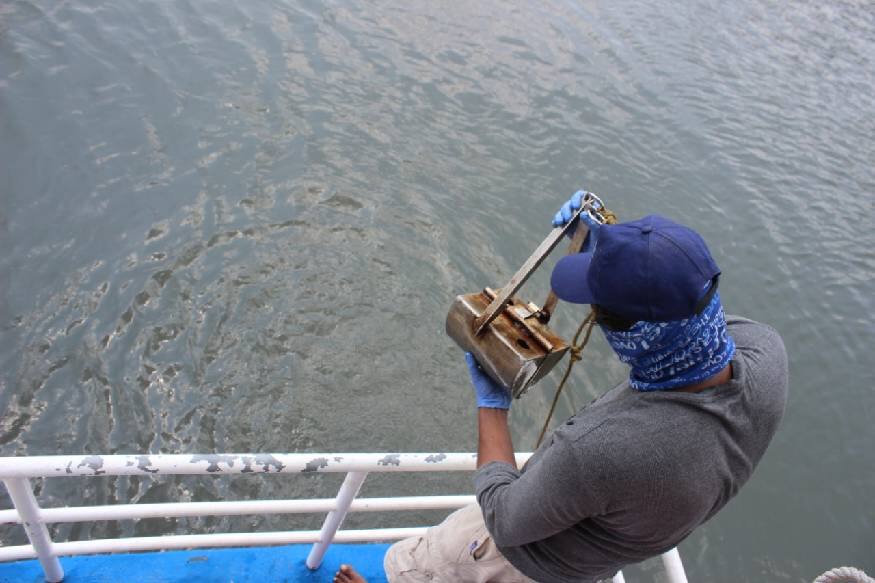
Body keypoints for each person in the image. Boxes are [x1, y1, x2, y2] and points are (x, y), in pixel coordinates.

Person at [335, 191, 788, 583]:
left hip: (512, 561)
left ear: (627, 334)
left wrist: (492, 405)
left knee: (426, 563)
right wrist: (611, 254)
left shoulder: (602, 450)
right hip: (590, 565)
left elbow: (505, 518)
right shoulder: (767, 357)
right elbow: (683, 310)